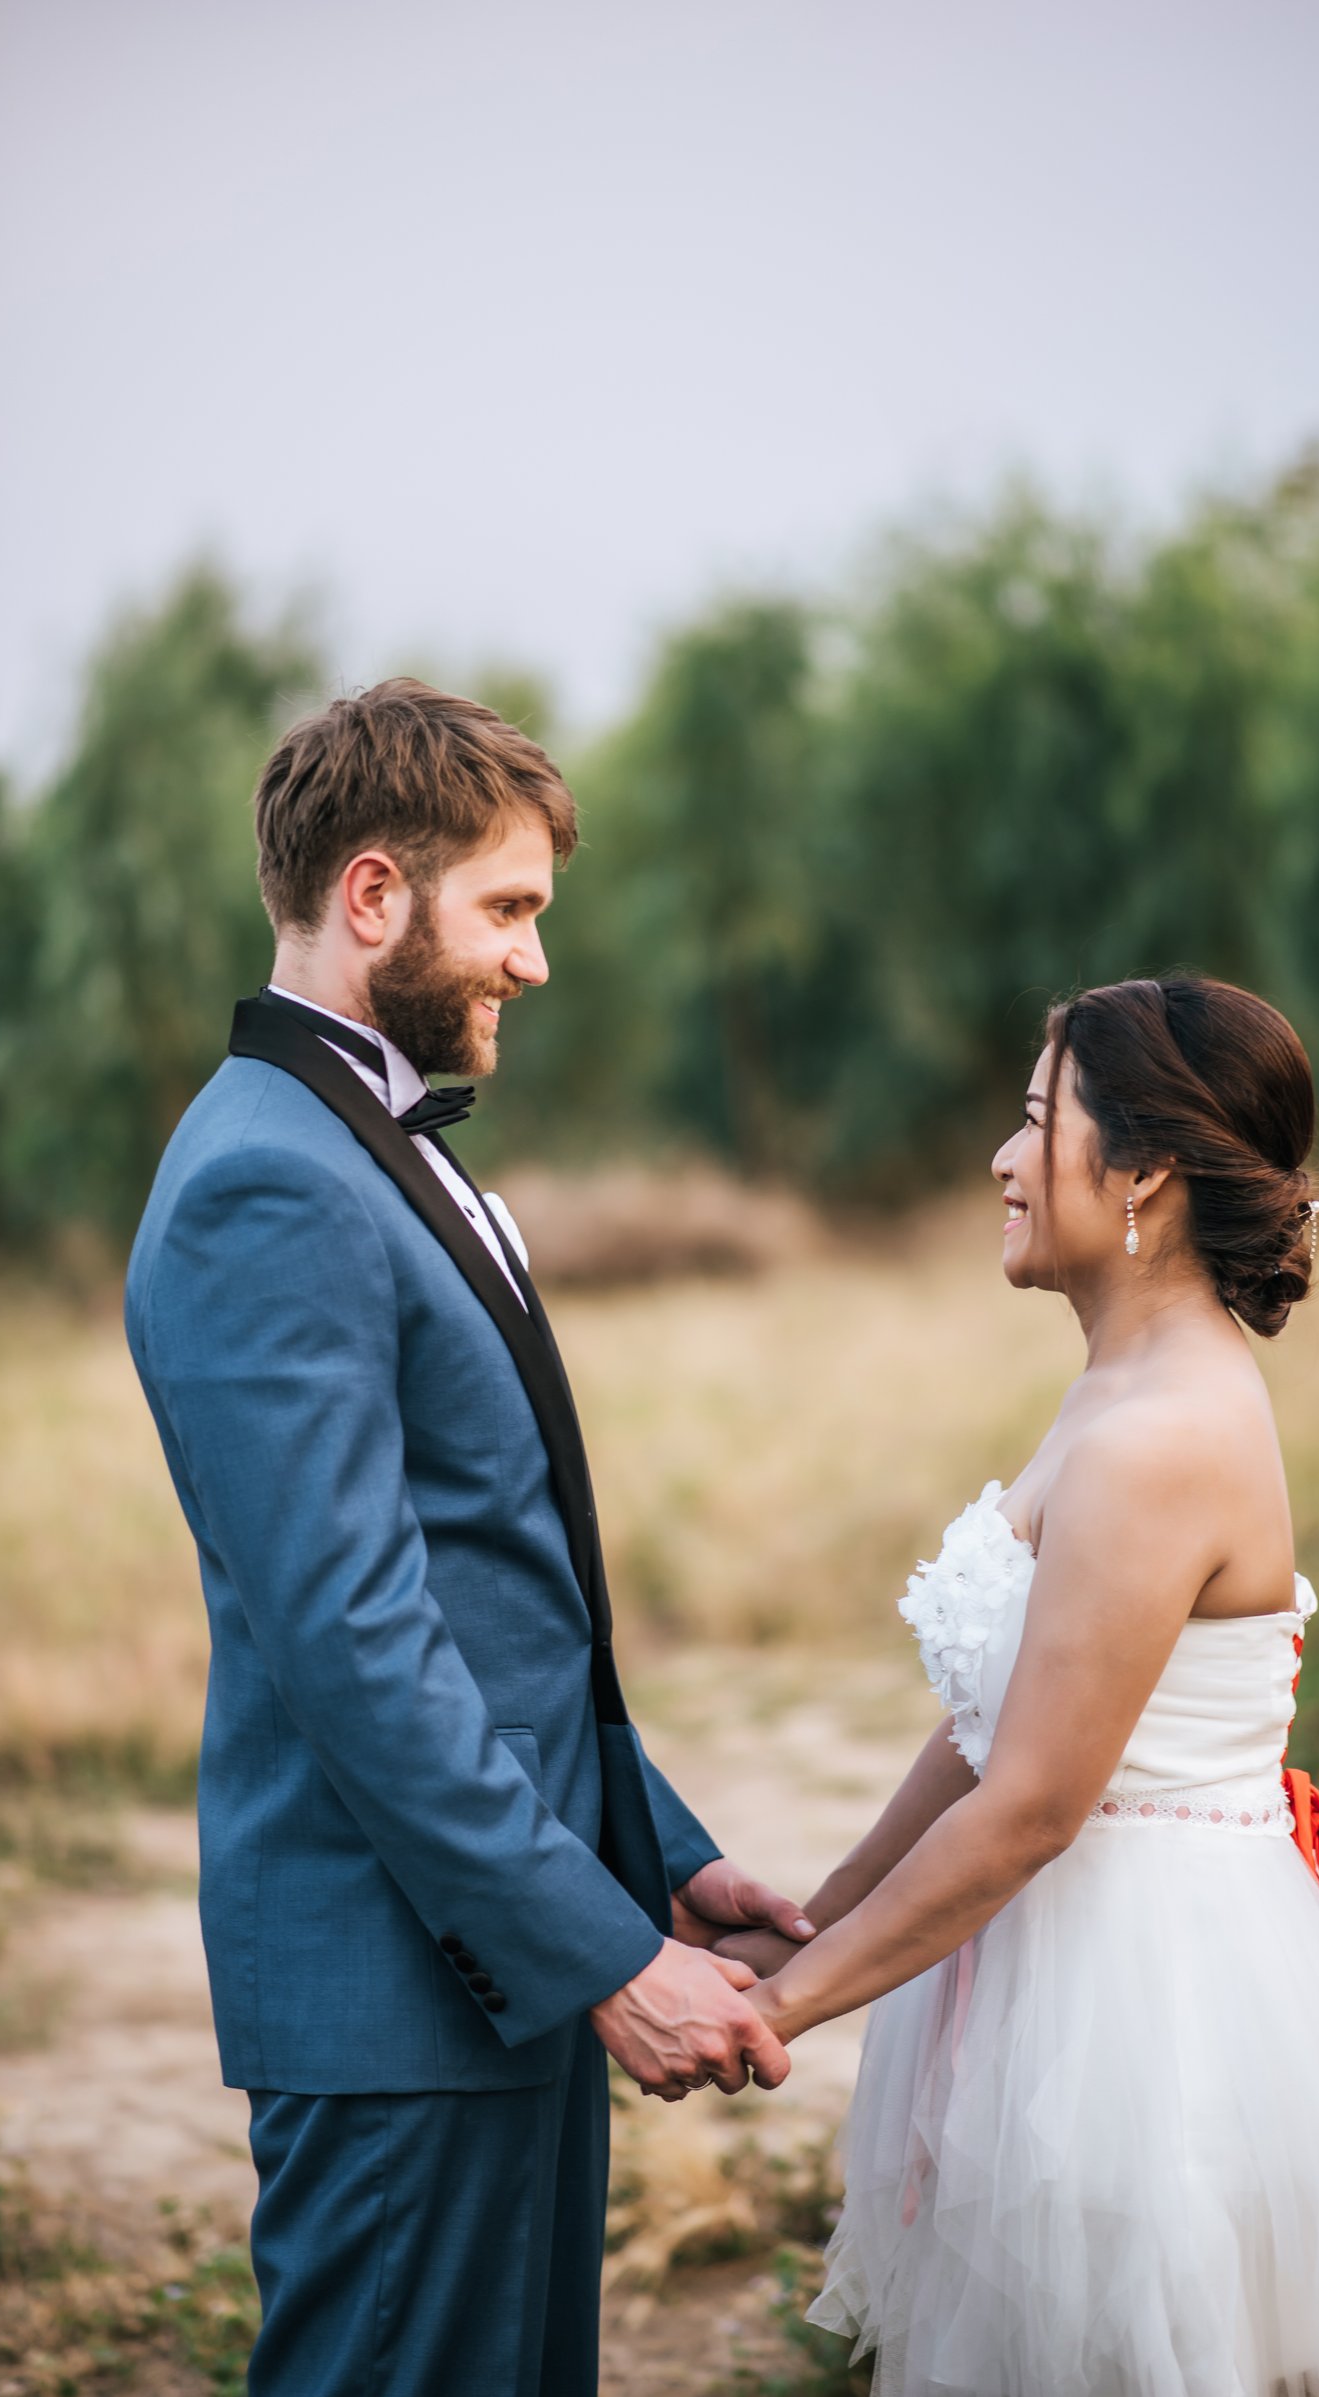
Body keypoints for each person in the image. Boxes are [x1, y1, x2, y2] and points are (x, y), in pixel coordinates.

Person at [124, 679, 810, 2397]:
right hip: (406, 1989)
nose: (534, 960)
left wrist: (648, 1853)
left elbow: (491, 1585)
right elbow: (357, 1643)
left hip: (494, 1954)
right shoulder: (266, 1180)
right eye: (506, 908)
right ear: (373, 895)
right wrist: (596, 1954)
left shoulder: (359, 1143)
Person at [718, 977, 1319, 2397]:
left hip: (1148, 2013)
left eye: (1037, 1122)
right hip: (1051, 1969)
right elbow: (994, 1727)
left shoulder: (1163, 1431)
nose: (1002, 1160)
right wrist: (813, 1920)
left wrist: (770, 2019)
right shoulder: (1119, 1382)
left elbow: (1033, 1802)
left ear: (1143, 1169)